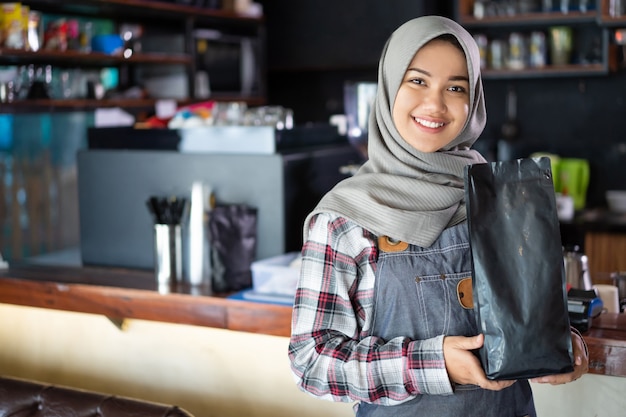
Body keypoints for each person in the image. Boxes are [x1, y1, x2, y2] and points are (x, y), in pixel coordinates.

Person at [288, 15, 588, 416]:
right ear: (390, 85)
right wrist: (432, 364)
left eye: (455, 87)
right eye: (417, 81)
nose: (435, 103)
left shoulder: (499, 197)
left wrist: (565, 340)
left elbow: (521, 313)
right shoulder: (345, 219)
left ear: (474, 99)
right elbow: (312, 360)